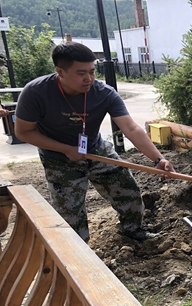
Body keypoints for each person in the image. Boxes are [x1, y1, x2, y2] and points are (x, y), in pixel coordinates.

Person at [14, 42, 174, 242]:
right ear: (60, 71)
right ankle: (77, 250)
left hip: (96, 149)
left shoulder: (104, 93)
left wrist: (158, 159)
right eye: (81, 73)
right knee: (70, 213)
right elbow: (23, 132)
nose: (88, 79)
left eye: (92, 71)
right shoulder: (36, 92)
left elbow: (131, 128)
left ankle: (132, 230)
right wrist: (66, 149)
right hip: (57, 157)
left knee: (127, 190)